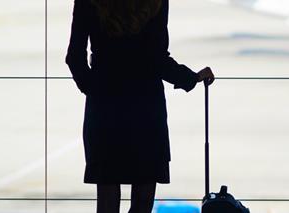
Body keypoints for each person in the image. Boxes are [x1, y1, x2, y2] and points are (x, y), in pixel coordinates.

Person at [65, 0, 214, 212]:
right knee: (143, 199)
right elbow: (158, 59)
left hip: (105, 108)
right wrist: (191, 77)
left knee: (107, 195)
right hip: (146, 107)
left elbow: (74, 57)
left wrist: (96, 89)